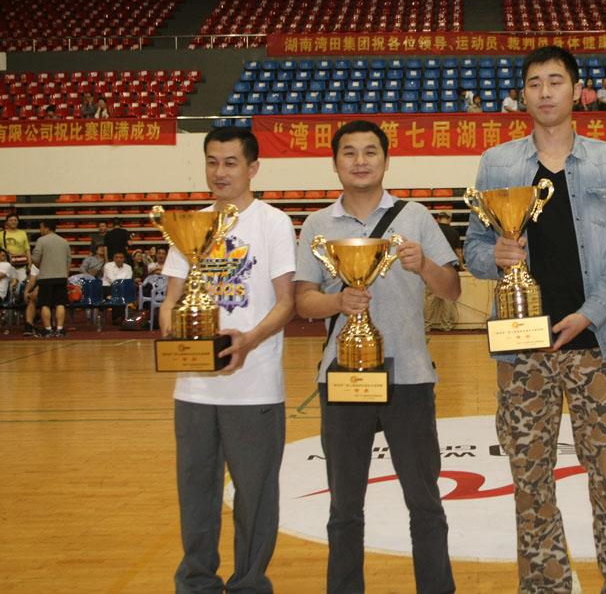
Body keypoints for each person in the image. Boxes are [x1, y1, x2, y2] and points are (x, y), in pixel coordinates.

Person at [464, 45, 606, 593]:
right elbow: (473, 248)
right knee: (530, 483)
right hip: (522, 349)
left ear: (576, 90)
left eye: (555, 81)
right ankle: (546, 585)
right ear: (522, 94)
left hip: (596, 344)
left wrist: (587, 315)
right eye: (534, 83)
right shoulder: (497, 163)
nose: (545, 92)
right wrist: (495, 257)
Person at [294, 119, 459, 594]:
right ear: (335, 163)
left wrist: (424, 265)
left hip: (409, 376)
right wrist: (337, 301)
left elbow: (451, 289)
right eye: (349, 152)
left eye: (370, 151)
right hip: (343, 376)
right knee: (344, 508)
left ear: (386, 160)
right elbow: (304, 301)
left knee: (425, 503)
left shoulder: (416, 216)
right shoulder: (318, 224)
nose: (360, 161)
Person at [159, 126, 297, 594]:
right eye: (212, 162)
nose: (220, 172)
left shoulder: (272, 222)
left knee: (255, 497)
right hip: (193, 388)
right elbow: (171, 298)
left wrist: (249, 340)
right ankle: (196, 583)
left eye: (231, 162)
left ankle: (249, 585)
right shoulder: (188, 224)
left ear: (253, 168)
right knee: (195, 493)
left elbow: (286, 303)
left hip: (254, 384)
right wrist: (172, 328)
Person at [31, 219, 71, 338]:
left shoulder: (41, 240)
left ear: (47, 228)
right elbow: (68, 261)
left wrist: (42, 266)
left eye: (41, 227)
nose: (40, 230)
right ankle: (60, 329)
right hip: (61, 277)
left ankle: (48, 329)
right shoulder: (64, 241)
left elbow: (35, 258)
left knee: (45, 304)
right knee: (60, 303)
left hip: (46, 277)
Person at [425, 210, 462, 331]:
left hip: (433, 269)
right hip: (449, 269)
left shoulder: (432, 231)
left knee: (430, 299)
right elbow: (458, 252)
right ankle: (446, 326)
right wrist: (461, 266)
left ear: (438, 218)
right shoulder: (454, 232)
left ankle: (427, 325)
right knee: (448, 299)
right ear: (450, 219)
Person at [102, 250, 134, 326]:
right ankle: (118, 317)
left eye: (121, 257)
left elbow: (128, 280)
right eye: (116, 257)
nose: (119, 259)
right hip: (108, 287)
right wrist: (121, 281)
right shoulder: (108, 266)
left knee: (122, 292)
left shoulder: (128, 267)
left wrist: (120, 281)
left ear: (124, 259)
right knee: (117, 293)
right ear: (113, 258)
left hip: (122, 288)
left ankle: (119, 317)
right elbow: (112, 279)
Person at [2, 212, 31, 284]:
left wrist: (29, 263)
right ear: (7, 222)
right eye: (11, 220)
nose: (13, 222)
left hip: (20, 266)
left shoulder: (22, 233)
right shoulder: (1, 234)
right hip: (6, 265)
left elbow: (27, 249)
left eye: (15, 220)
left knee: (22, 285)